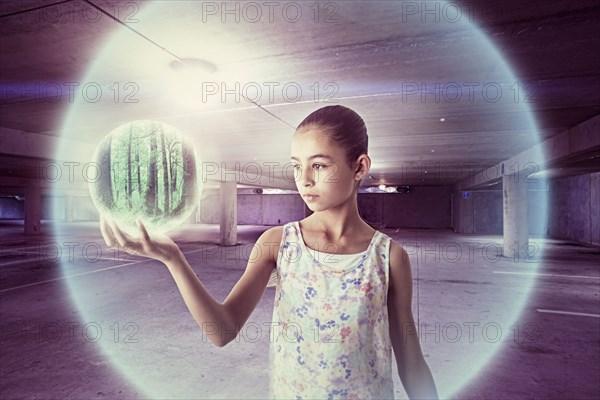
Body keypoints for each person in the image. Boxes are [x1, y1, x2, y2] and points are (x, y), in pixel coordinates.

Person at [100, 105, 439, 400]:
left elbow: (410, 360)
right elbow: (222, 330)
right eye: (296, 166)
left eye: (319, 165)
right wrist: (172, 258)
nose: (303, 179)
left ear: (360, 167)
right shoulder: (278, 243)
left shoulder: (389, 257)